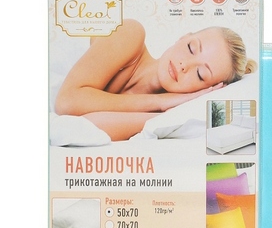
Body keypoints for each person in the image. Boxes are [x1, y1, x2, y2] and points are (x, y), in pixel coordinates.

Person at [55, 19, 256, 141]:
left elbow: (83, 127)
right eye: (191, 48)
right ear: (183, 37)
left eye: (200, 74)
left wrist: (165, 113)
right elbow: (66, 103)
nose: (184, 65)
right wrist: (158, 101)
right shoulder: (130, 34)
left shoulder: (160, 117)